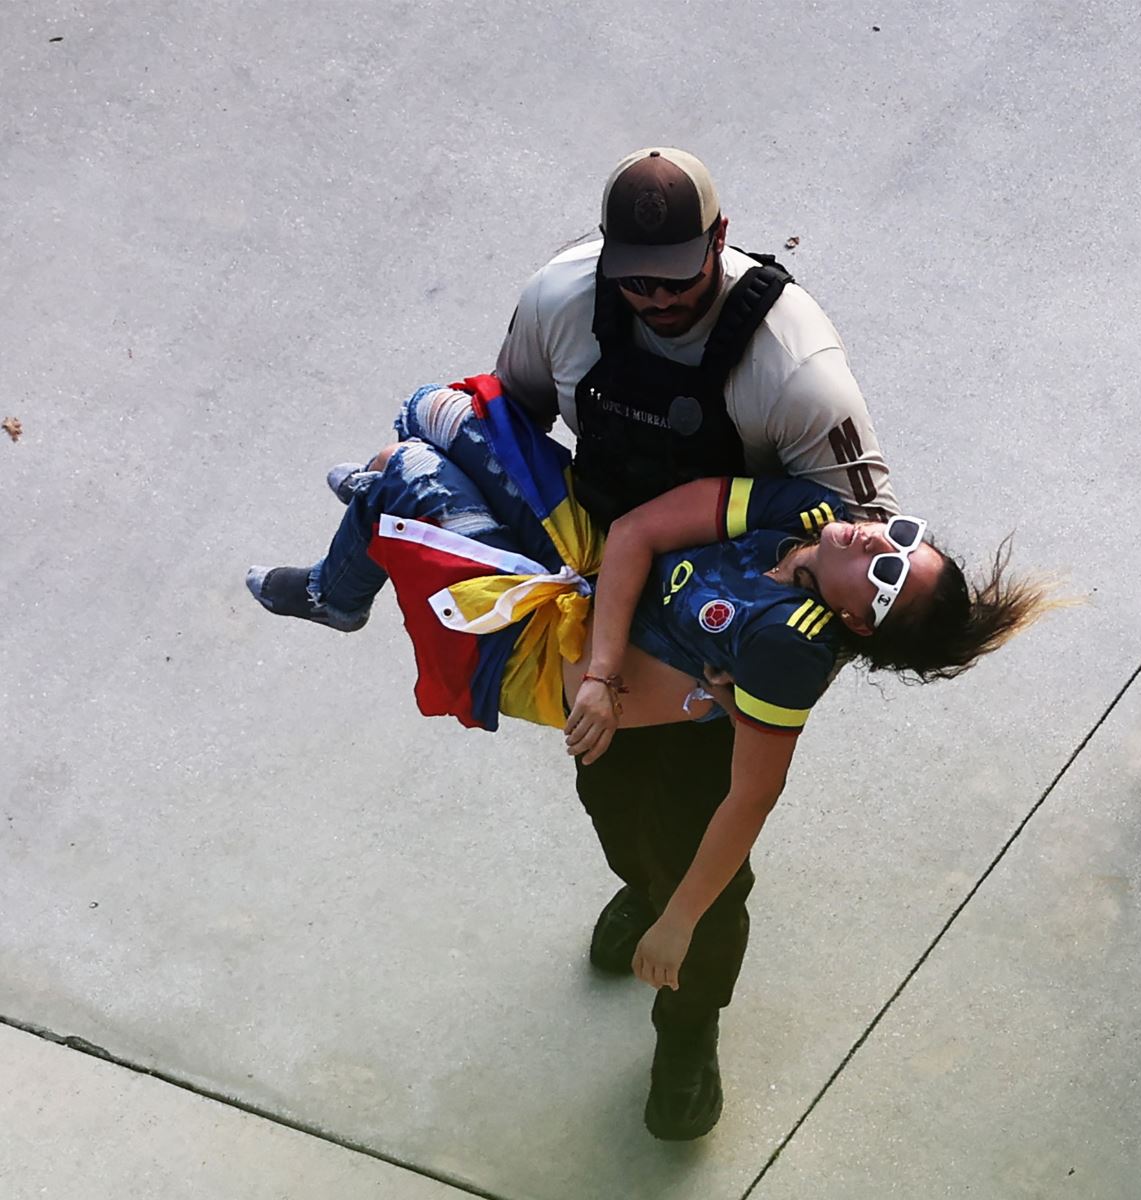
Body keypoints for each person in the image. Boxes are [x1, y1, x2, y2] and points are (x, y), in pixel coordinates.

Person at [253, 146, 900, 1141]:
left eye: (676, 277)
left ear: (721, 244)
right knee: (607, 789)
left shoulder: (796, 370)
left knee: (703, 856)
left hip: (705, 640)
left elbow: (871, 545)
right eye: (632, 278)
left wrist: (767, 671)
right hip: (595, 574)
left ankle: (688, 1023)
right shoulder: (563, 298)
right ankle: (642, 885)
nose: (653, 297)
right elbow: (514, 424)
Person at [247, 378, 1051, 1139]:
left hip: (685, 742)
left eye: (887, 571)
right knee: (429, 420)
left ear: (858, 620)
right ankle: (644, 885)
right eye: (903, 540)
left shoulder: (787, 645)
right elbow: (636, 533)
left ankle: (688, 1035)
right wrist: (601, 676)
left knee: (705, 893)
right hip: (608, 677)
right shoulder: (808, 518)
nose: (880, 535)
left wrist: (677, 919)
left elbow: (751, 797)